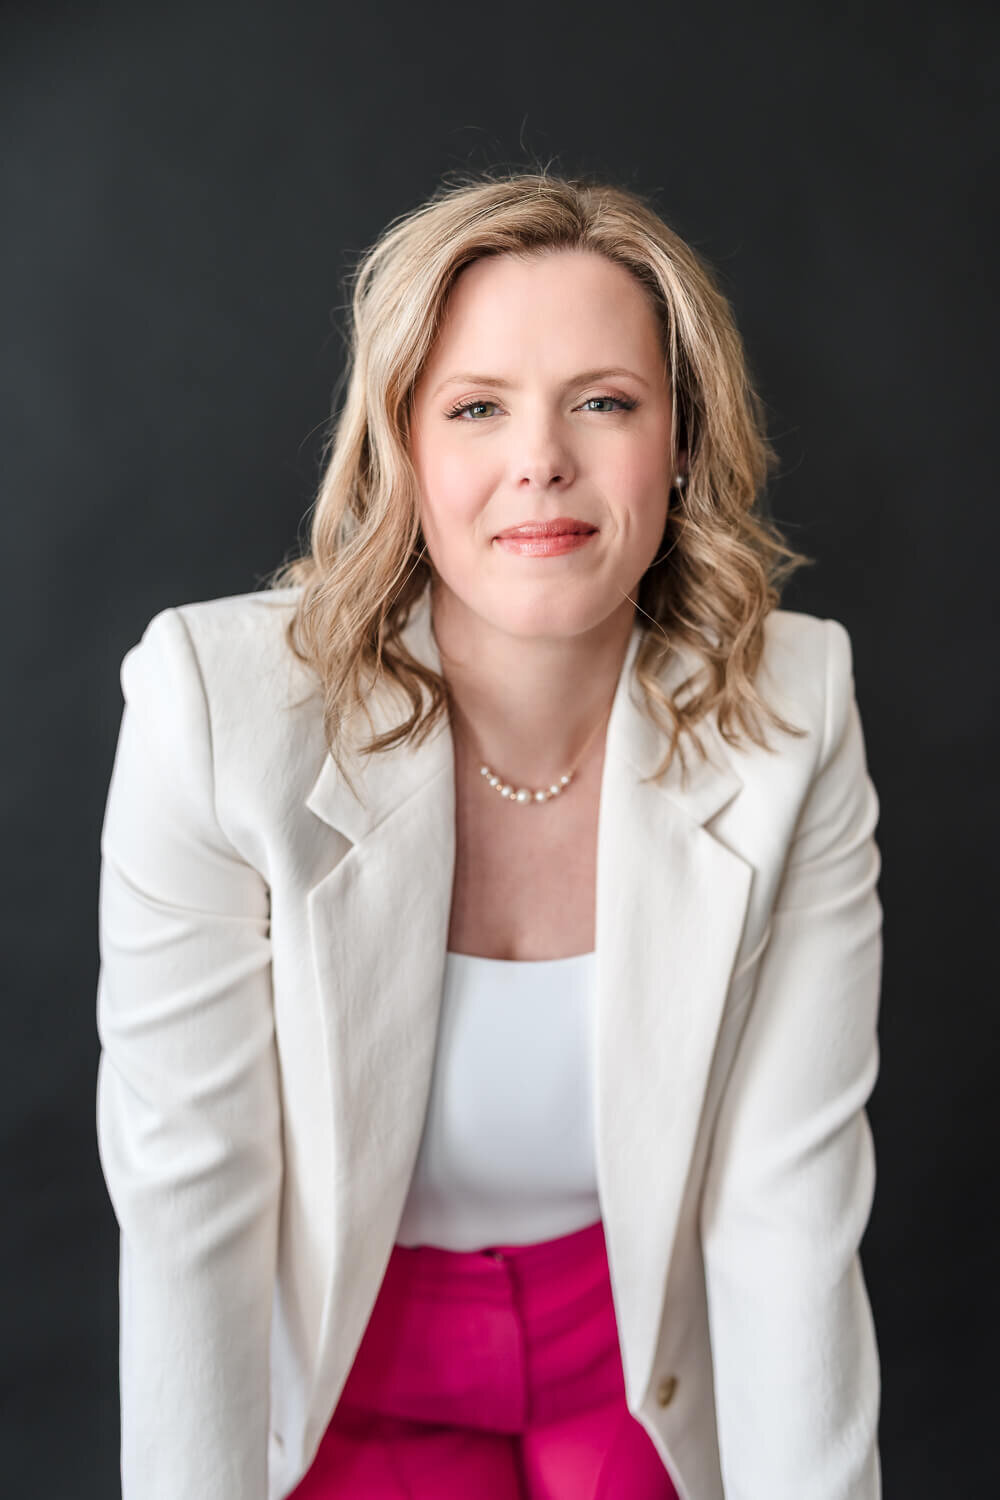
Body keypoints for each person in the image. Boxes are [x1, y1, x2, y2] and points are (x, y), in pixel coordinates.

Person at [95, 168, 884, 1500]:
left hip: (630, 1365)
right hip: (347, 1371)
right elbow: (192, 1214)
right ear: (403, 447)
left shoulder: (792, 713)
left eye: (604, 403)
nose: (543, 461)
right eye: (477, 408)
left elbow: (786, 1216)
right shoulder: (214, 709)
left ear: (679, 441)